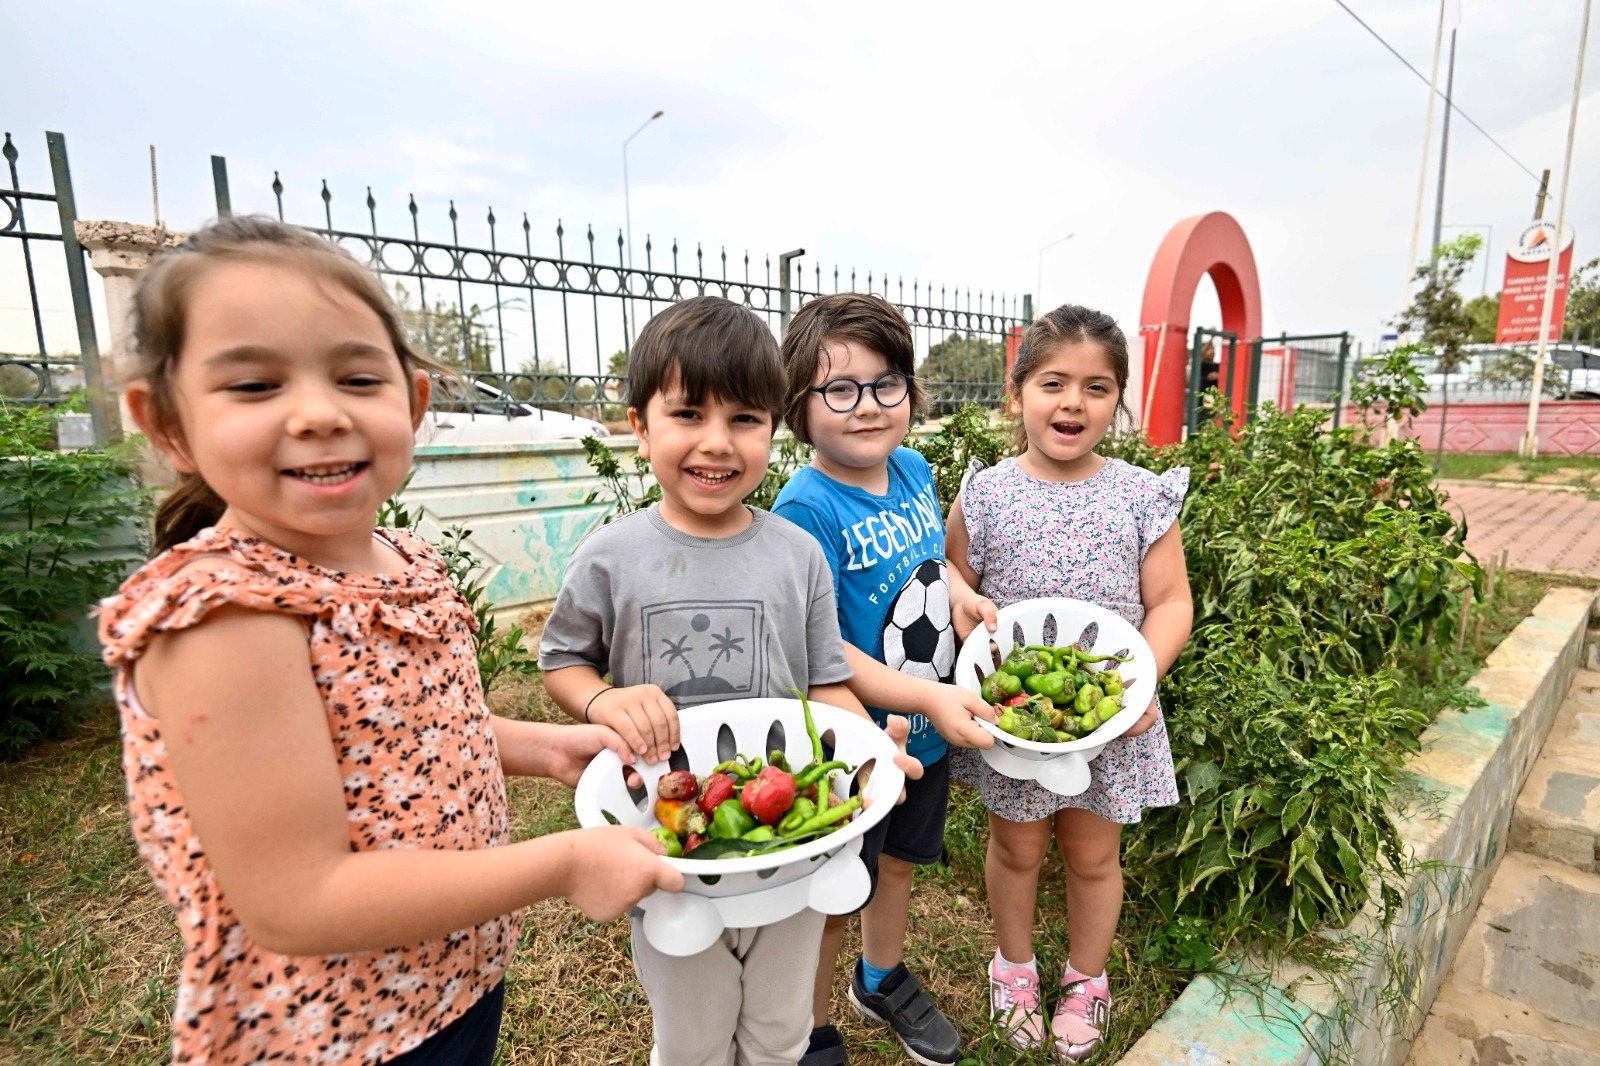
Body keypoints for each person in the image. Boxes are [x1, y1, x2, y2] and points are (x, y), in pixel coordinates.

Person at [97, 216, 681, 1066]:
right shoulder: (225, 619)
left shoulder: (401, 559)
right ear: (167, 422)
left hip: (448, 980)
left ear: (412, 403)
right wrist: (562, 863)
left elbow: (411, 731)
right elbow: (299, 899)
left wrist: (542, 747)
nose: (319, 413)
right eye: (256, 385)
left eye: (356, 377)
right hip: (334, 1031)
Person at [538, 295, 922, 1066]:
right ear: (640, 425)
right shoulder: (612, 556)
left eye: (745, 419)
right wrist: (603, 698)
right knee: (693, 1036)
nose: (717, 443)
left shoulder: (795, 555)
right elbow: (562, 662)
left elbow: (824, 681)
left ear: (774, 430)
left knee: (780, 1029)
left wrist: (867, 751)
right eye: (687, 414)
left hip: (786, 837)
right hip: (669, 846)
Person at [946, 303, 1193, 1061]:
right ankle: (1014, 968)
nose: (1072, 403)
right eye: (1053, 382)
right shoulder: (985, 492)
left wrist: (1139, 684)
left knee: (1093, 856)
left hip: (1109, 715)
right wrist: (968, 630)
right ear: (1017, 394)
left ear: (1118, 401)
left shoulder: (1139, 494)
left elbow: (1171, 601)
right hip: (1016, 713)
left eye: (1096, 387)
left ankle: (1087, 979)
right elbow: (953, 577)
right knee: (1016, 850)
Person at [771, 293, 999, 1066]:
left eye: (886, 383)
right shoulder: (804, 509)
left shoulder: (913, 468)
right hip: (856, 745)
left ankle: (881, 976)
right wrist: (927, 695)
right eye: (839, 389)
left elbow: (930, 565)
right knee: (833, 896)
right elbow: (825, 647)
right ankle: (803, 1030)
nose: (867, 407)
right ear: (797, 406)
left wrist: (962, 597)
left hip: (927, 733)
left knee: (899, 863)